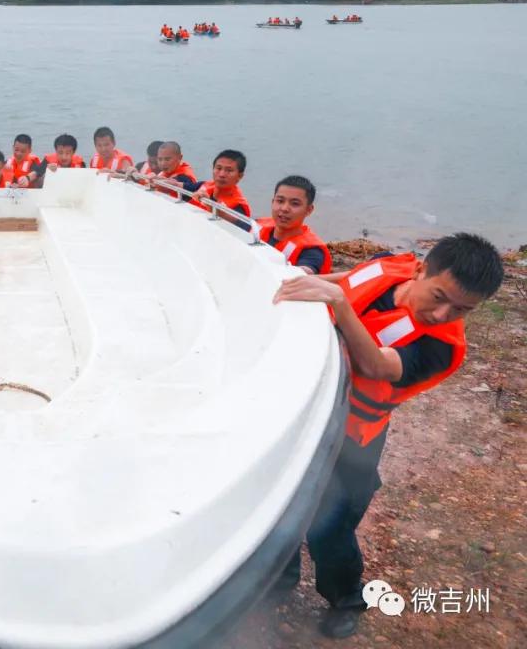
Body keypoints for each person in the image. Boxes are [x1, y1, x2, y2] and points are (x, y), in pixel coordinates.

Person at [272, 233, 504, 639]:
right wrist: (309, 278)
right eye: (438, 296)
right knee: (285, 501)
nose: (443, 313)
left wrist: (338, 305)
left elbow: (377, 366)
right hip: (307, 412)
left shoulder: (441, 348)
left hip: (352, 441)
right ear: (419, 270)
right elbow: (354, 276)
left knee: (329, 529)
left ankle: (346, 600)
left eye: (462, 309)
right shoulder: (392, 264)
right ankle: (280, 577)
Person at [255, 175, 331, 274]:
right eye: (280, 201)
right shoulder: (256, 226)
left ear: (309, 210)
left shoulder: (312, 250)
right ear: (273, 202)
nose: (284, 208)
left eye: (295, 204)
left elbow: (305, 273)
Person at [192, 149, 251, 222]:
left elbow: (240, 224)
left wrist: (209, 203)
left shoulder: (239, 206)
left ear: (240, 176)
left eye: (229, 170)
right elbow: (182, 186)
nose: (221, 174)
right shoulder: (203, 185)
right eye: (219, 168)